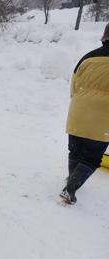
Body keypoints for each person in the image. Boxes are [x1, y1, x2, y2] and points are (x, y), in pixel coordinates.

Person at [60, 22, 109, 205]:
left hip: (78, 110)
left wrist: (80, 102)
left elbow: (73, 87)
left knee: (75, 150)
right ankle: (71, 187)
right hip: (104, 116)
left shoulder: (87, 57)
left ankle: (71, 179)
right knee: (92, 157)